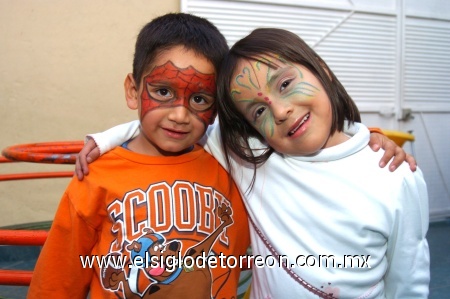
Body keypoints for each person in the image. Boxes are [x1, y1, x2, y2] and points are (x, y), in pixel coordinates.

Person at [74, 32, 425, 299]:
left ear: (324, 72)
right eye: (258, 111)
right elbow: (178, 121)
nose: (280, 110)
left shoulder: (394, 177)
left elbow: (407, 279)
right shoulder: (252, 159)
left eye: (286, 84)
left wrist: (369, 135)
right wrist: (105, 138)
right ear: (252, 127)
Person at [27, 13, 250, 299]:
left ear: (216, 105)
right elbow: (57, 281)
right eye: (163, 91)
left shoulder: (232, 167)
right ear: (133, 91)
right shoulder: (97, 174)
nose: (180, 115)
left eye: (199, 99)